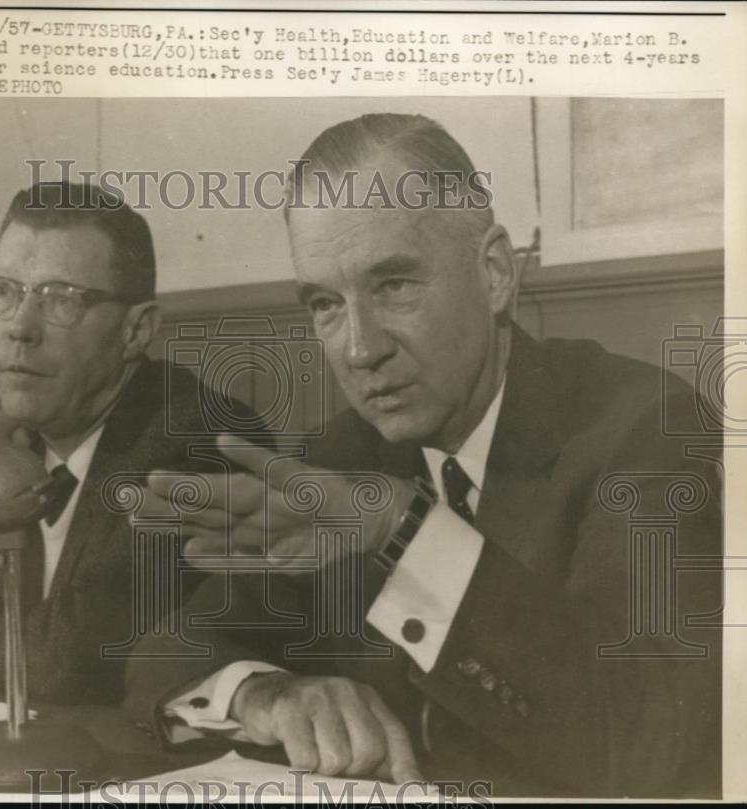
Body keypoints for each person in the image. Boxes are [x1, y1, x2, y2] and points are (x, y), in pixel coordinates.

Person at [127, 114, 723, 797]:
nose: (358, 348)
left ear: (494, 272)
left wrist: (406, 532)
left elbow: (646, 740)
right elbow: (162, 656)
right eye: (326, 302)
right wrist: (270, 693)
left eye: (394, 286)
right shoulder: (339, 454)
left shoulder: (642, 428)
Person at [0, 181, 261, 706]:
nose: (19, 329)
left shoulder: (198, 435)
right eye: (4, 292)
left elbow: (65, 668)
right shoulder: (0, 435)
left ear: (136, 331)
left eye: (61, 300)